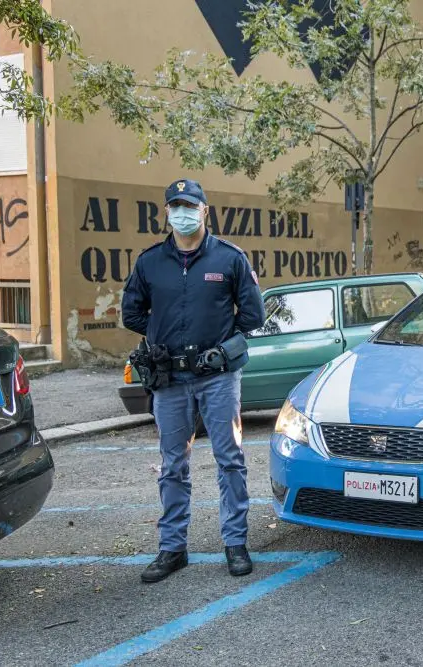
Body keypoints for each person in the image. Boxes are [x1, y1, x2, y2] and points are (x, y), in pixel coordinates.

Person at [122, 179, 265, 583]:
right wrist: (162, 337)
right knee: (172, 465)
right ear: (166, 213)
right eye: (174, 207)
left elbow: (253, 316)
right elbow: (131, 313)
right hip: (169, 379)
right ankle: (172, 548)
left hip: (217, 376)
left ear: (205, 210)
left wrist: (220, 346)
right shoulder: (150, 262)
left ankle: (235, 544)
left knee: (230, 460)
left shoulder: (229, 258)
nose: (181, 214)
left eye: (190, 206)